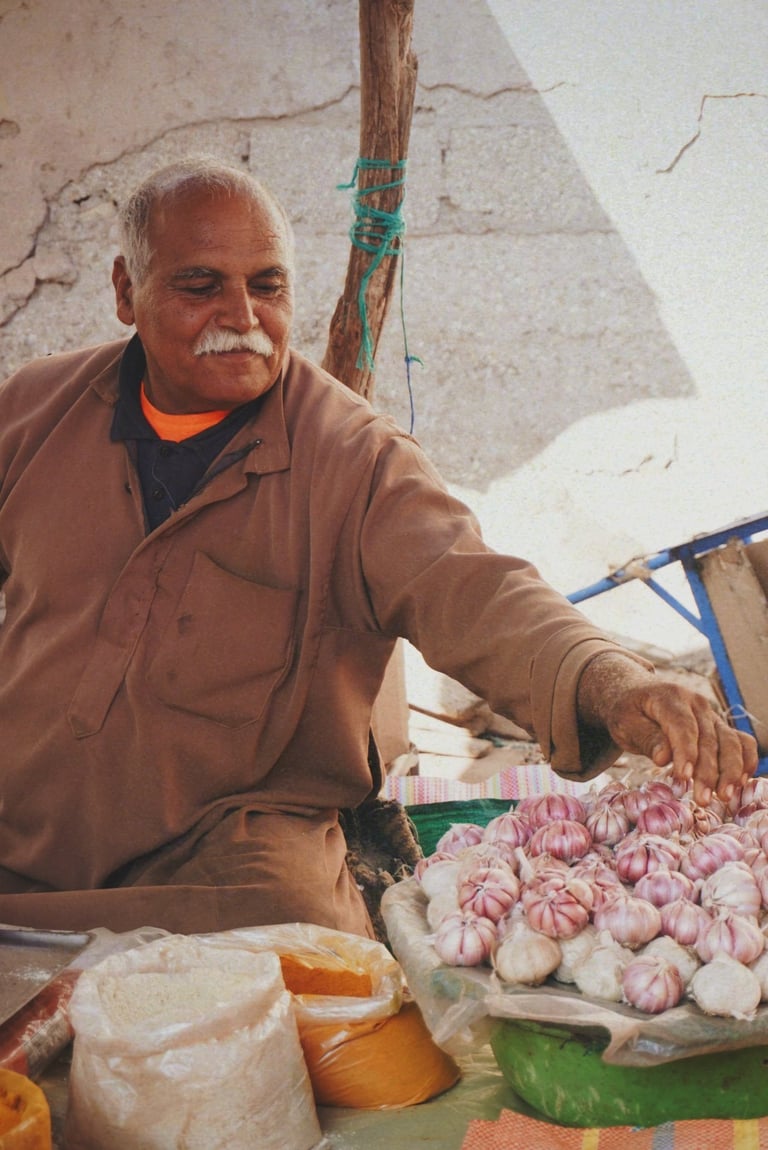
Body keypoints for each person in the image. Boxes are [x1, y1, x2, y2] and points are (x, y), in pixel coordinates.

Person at [0, 156, 756, 939]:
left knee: (293, 936)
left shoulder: (356, 459)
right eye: (200, 286)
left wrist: (618, 685)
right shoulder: (32, 410)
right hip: (21, 809)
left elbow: (478, 592)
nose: (243, 315)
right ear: (127, 291)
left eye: (267, 285)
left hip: (216, 845)